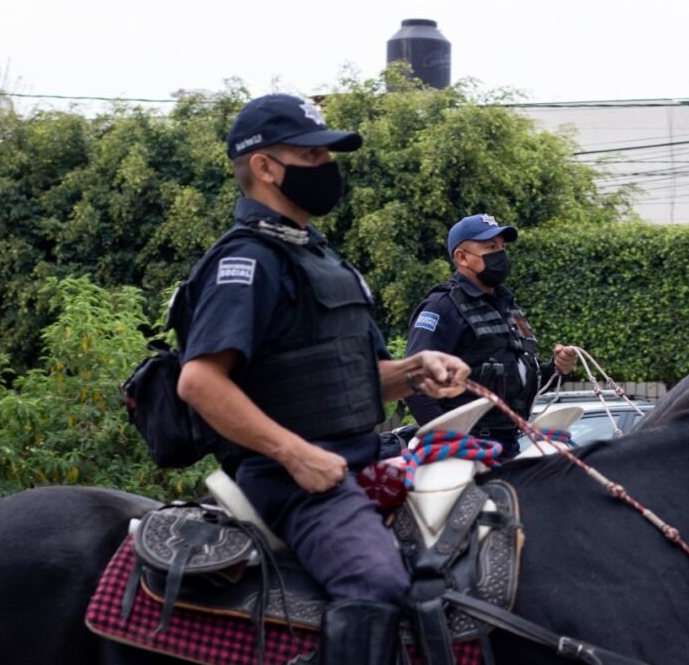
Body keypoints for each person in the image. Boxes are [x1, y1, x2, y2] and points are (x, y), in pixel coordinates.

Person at [173, 93, 470, 665]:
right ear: (263, 167)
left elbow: (352, 380)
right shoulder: (248, 261)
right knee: (376, 584)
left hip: (362, 455)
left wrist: (414, 370)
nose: (327, 169)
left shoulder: (322, 258)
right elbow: (200, 383)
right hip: (295, 481)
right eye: (311, 157)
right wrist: (295, 455)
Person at [404, 214, 578, 458]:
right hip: (464, 451)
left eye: (502, 247)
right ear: (462, 257)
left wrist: (558, 368)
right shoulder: (442, 306)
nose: (500, 255)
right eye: (490, 247)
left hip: (508, 446)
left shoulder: (506, 305)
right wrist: (449, 443)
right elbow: (414, 380)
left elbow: (522, 375)